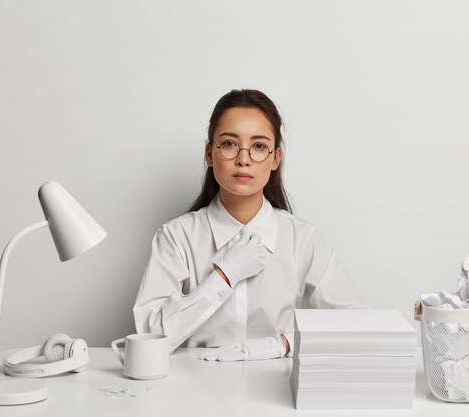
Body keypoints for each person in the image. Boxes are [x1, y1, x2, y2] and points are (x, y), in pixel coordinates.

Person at [133, 89, 364, 361]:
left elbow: (357, 325)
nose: (243, 159)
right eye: (230, 144)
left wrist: (285, 344)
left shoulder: (305, 240)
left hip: (278, 391)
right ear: (210, 153)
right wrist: (224, 276)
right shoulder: (176, 237)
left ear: (275, 158)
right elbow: (150, 337)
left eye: (259, 146)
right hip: (193, 390)